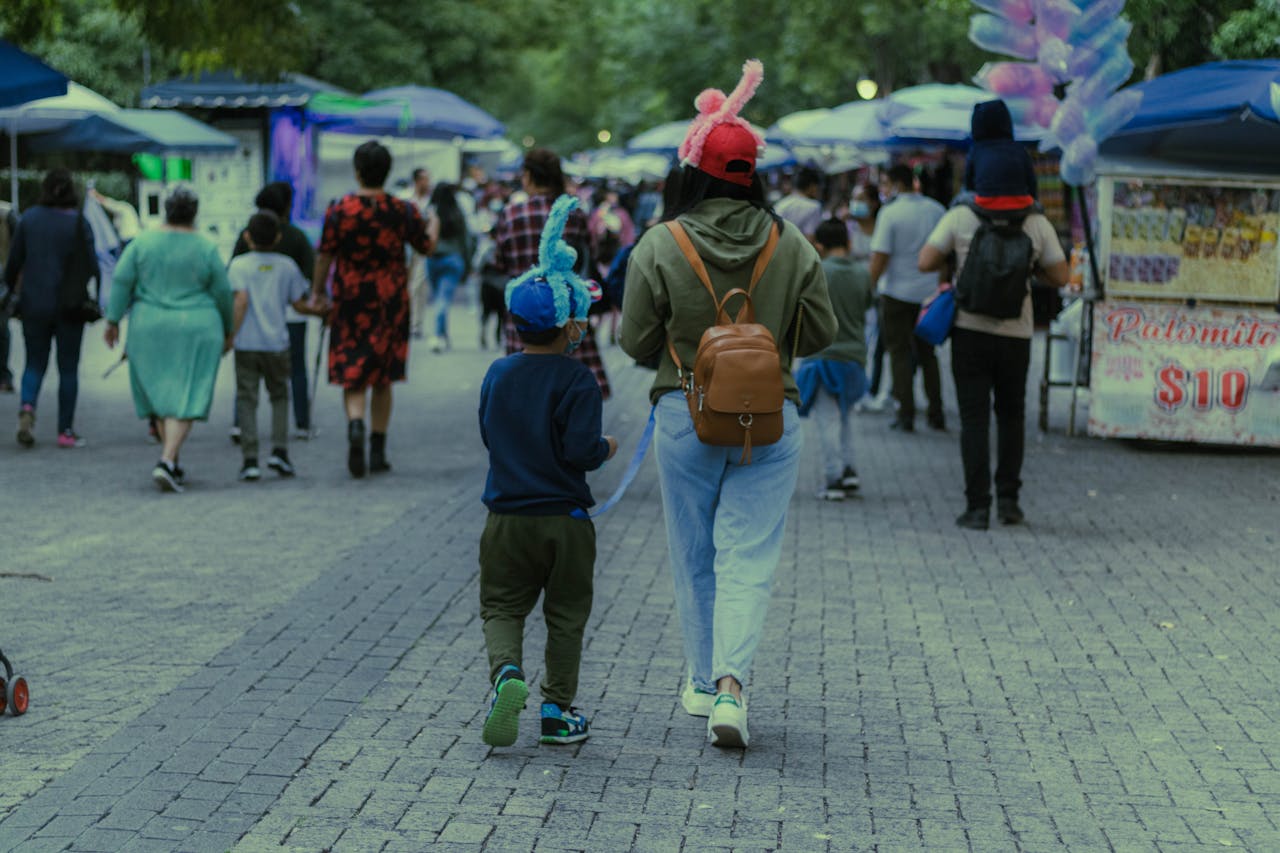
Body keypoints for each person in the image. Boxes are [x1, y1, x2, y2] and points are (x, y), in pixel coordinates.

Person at [620, 59, 836, 749]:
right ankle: (732, 688)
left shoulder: (660, 243)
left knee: (695, 552)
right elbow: (824, 332)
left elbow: (633, 342)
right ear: (754, 173)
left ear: (694, 167)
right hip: (773, 416)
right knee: (751, 554)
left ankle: (701, 678)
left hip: (684, 409)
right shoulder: (792, 242)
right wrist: (766, 341)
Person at [477, 195, 617, 747]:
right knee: (565, 615)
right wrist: (605, 447)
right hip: (566, 519)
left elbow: (489, 433)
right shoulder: (578, 380)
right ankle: (557, 711)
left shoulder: (498, 373)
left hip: (506, 516)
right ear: (568, 326)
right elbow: (582, 450)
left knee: (501, 606)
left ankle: (506, 674)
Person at [919, 142, 1069, 530]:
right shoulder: (1037, 222)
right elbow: (1061, 276)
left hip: (969, 331)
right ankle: (1009, 503)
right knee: (1011, 416)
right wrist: (1029, 269)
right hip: (1016, 334)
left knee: (974, 420)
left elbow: (925, 261)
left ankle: (977, 507)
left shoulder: (961, 216)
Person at [312, 140, 433, 478]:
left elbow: (324, 255)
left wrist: (318, 292)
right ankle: (378, 447)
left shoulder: (339, 210)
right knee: (383, 375)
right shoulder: (403, 210)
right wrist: (432, 223)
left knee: (354, 369)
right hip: (391, 299)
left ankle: (355, 423)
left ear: (357, 170)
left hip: (351, 298)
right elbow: (425, 246)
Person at [105, 187, 233, 492]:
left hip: (149, 326)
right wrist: (229, 329)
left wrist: (112, 320)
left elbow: (122, 280)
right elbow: (223, 292)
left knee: (161, 396)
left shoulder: (143, 242)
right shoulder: (206, 247)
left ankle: (171, 460)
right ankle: (167, 459)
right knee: (186, 395)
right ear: (195, 211)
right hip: (197, 326)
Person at [494, 148, 610, 400]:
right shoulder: (573, 212)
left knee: (526, 393)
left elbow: (499, 263)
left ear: (528, 176)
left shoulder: (510, 214)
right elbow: (591, 254)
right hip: (565, 317)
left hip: (524, 317)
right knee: (572, 394)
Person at [4, 169, 99, 448]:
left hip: (34, 304)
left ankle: (28, 408)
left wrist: (9, 291)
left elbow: (13, 263)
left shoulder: (29, 219)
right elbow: (92, 265)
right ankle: (65, 431)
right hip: (70, 306)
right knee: (68, 368)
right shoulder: (79, 222)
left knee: (34, 362)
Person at [229, 211, 323, 481]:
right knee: (280, 395)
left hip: (247, 342)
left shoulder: (238, 266)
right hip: (277, 342)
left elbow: (240, 301)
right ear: (278, 237)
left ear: (247, 236)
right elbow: (298, 303)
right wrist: (321, 312)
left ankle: (250, 459)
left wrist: (230, 335)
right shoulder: (286, 266)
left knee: (247, 398)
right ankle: (280, 452)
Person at [795, 219, 875, 500]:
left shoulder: (817, 271)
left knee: (827, 420)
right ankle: (849, 469)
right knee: (845, 418)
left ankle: (834, 478)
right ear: (848, 242)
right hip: (854, 359)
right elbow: (867, 305)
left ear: (819, 244)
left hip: (824, 357)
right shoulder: (863, 274)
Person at [870, 163, 947, 432]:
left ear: (895, 183)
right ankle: (936, 412)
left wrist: (869, 287)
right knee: (928, 355)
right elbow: (946, 253)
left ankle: (906, 414)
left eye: (884, 183)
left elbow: (880, 256)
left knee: (899, 354)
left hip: (895, 294)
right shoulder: (936, 210)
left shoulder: (890, 213)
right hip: (929, 294)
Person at [425, 183, 472, 353]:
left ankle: (438, 335)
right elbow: (466, 240)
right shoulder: (457, 212)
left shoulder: (430, 212)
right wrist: (468, 263)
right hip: (453, 259)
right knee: (443, 299)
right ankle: (442, 335)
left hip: (432, 260)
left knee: (439, 298)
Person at [962, 99, 1039, 201]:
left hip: (985, 203)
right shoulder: (1019, 149)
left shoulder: (976, 150)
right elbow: (1031, 183)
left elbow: (968, 185)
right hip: (1019, 203)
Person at [406, 167, 433, 338]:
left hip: (422, 249)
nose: (427, 182)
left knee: (418, 286)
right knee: (408, 285)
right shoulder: (406, 198)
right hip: (407, 248)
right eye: (424, 179)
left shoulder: (431, 202)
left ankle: (416, 323)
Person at [774, 167, 824, 243]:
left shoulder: (780, 204)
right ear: (812, 186)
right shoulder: (814, 207)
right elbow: (810, 237)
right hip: (799, 251)